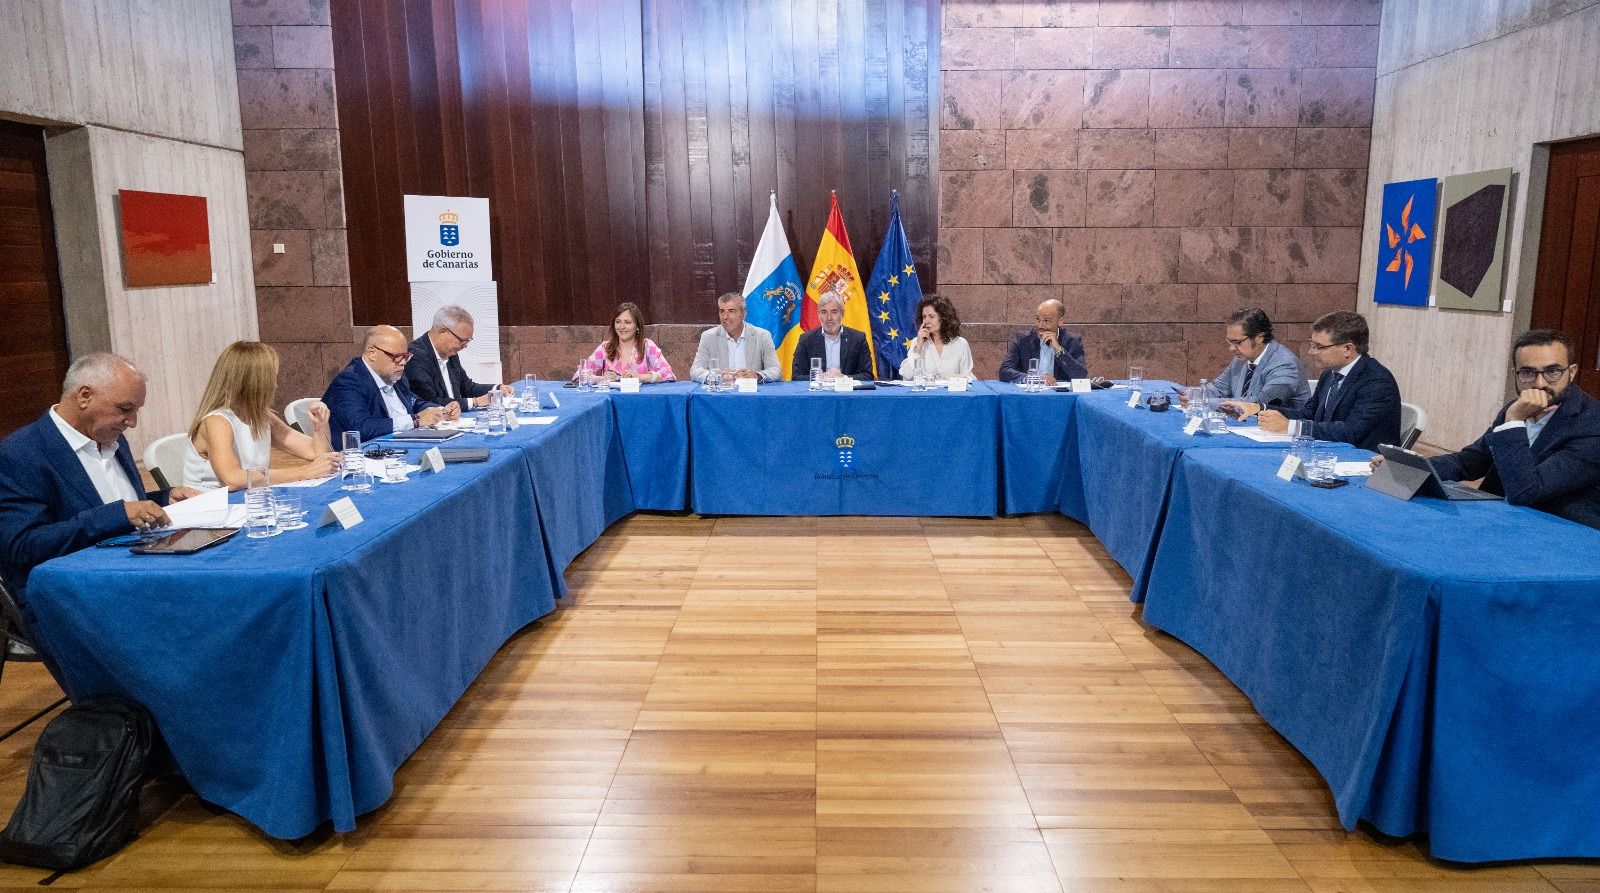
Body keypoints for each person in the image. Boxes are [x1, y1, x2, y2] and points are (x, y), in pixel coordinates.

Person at [0, 354, 198, 597]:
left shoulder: (111, 437)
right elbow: (24, 547)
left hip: (137, 570)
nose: (133, 422)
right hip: (74, 592)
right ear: (85, 396)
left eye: (136, 411)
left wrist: (163, 499)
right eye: (125, 408)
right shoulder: (22, 453)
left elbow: (105, 499)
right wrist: (116, 515)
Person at [1377, 329, 1600, 529]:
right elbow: (1471, 461)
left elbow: (1528, 492)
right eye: (1528, 373)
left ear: (1571, 372)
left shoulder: (1591, 423)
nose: (1539, 383)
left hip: (1558, 534)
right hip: (1504, 519)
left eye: (1552, 372)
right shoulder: (1515, 410)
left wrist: (1514, 421)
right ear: (1515, 374)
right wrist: (1408, 465)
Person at [1223, 310, 1400, 451]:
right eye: (1312, 344)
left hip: (1361, 460)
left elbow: (1350, 432)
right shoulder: (1330, 373)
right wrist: (1260, 408)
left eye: (1319, 347)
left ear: (1347, 349)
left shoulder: (1376, 381)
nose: (1311, 352)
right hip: (1327, 451)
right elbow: (1308, 414)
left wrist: (1291, 427)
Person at [183, 341, 342, 490]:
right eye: (272, 377)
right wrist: (305, 472)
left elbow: (316, 453)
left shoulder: (261, 417)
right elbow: (232, 479)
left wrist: (320, 425)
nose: (276, 384)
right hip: (212, 509)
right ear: (255, 382)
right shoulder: (217, 422)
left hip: (248, 502)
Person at [324, 325, 449, 443]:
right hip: (367, 454)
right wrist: (415, 421)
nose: (403, 363)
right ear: (372, 353)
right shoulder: (348, 382)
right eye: (397, 356)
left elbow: (413, 401)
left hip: (402, 443)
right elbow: (362, 428)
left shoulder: (394, 374)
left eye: (406, 356)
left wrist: (441, 410)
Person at [1197, 308, 1310, 412]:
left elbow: (1258, 404)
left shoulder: (1284, 365)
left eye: (1238, 342)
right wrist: (1193, 395)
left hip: (1281, 431)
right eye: (1230, 342)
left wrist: (1205, 402)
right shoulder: (1241, 359)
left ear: (1259, 338)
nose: (1231, 348)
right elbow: (1218, 389)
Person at [404, 305, 511, 412]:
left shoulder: (450, 352)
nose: (465, 346)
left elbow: (467, 387)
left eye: (468, 341)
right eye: (462, 341)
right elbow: (428, 402)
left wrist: (497, 389)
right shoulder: (416, 356)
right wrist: (475, 402)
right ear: (443, 332)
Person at [689, 292, 781, 383]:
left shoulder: (762, 336)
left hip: (751, 394)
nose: (725, 317)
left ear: (743, 314)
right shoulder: (708, 337)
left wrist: (757, 376)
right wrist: (717, 377)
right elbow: (695, 370)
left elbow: (776, 370)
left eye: (731, 311)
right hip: (722, 394)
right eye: (722, 311)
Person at [576, 302, 676, 383]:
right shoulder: (605, 348)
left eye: (627, 322)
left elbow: (668, 375)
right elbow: (579, 375)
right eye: (618, 322)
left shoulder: (647, 346)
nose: (621, 327)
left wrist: (640, 377)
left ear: (637, 326)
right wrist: (601, 379)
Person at [998, 298, 1086, 385]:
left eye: (1046, 321)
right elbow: (1005, 370)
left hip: (1059, 396)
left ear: (1060, 321)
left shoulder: (1072, 341)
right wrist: (1035, 378)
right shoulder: (1023, 339)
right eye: (1037, 319)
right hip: (1030, 393)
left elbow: (1081, 376)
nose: (1040, 325)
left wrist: (1058, 349)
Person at [790, 293, 874, 382]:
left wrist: (843, 378)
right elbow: (796, 377)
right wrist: (820, 378)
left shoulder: (858, 339)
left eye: (834, 312)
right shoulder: (806, 340)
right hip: (818, 393)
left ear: (842, 314)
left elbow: (867, 375)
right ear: (818, 314)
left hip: (847, 393)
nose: (829, 318)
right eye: (824, 312)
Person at [899, 295, 974, 381]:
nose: (926, 321)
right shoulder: (917, 342)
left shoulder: (961, 344)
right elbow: (907, 375)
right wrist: (919, 346)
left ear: (943, 318)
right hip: (925, 394)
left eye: (931, 316)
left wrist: (956, 380)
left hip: (951, 393)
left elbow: (969, 377)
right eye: (924, 317)